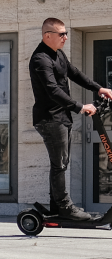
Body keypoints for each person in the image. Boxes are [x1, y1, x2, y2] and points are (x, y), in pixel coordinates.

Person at [29, 18, 112, 220]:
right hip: (50, 118)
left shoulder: (58, 55)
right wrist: (80, 107)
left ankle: (56, 206)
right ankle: (65, 207)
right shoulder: (41, 59)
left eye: (66, 33)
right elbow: (52, 90)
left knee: (60, 163)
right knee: (59, 164)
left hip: (61, 117)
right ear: (47, 36)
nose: (65, 37)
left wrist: (98, 88)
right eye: (61, 34)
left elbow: (74, 73)